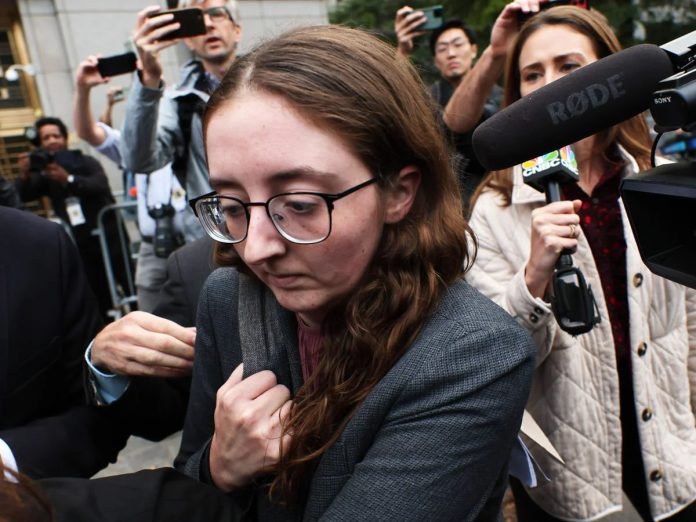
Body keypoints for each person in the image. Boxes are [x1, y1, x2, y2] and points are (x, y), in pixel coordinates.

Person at [167, 23, 536, 520]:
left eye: (300, 204)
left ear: (399, 192)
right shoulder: (227, 297)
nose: (255, 249)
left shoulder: (472, 355)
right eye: (232, 207)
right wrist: (218, 467)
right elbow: (184, 482)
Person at [466, 5, 696, 521]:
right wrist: (533, 280)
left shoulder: (664, 181)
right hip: (570, 482)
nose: (552, 87)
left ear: (613, 81)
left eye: (571, 68)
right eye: (532, 75)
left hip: (675, 456)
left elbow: (690, 322)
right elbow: (489, 365)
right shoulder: (493, 212)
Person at [73, 55, 187, 313]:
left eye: (158, 98)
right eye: (145, 99)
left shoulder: (188, 133)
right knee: (151, 320)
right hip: (153, 247)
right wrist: (82, 88)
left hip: (194, 241)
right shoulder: (135, 147)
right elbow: (88, 132)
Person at [121, 0, 242, 243]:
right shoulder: (177, 101)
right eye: (197, 18)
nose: (208, 24)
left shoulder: (268, 85)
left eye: (217, 14)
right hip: (215, 241)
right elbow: (139, 159)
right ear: (188, 40)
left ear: (237, 30)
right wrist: (149, 78)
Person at [15, 116, 129, 320]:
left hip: (110, 237)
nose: (52, 141)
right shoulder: (45, 173)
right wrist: (24, 175)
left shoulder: (85, 161)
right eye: (46, 138)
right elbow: (25, 194)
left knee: (128, 283)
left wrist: (68, 179)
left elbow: (99, 184)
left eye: (56, 136)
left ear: (65, 138)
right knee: (96, 293)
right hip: (80, 243)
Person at [394, 6, 503, 204]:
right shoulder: (426, 100)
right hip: (442, 200)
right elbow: (396, 104)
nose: (451, 53)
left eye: (457, 45)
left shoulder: (501, 97)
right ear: (436, 61)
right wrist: (403, 50)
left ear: (474, 50)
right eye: (442, 49)